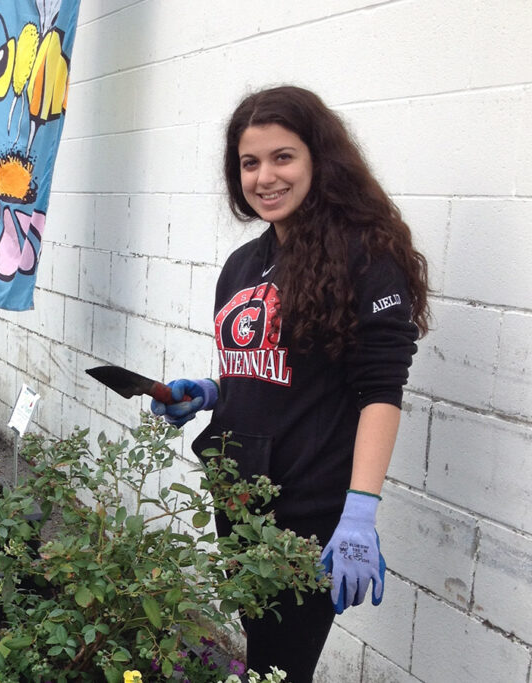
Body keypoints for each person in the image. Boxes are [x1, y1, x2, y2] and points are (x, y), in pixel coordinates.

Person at [152, 85, 430, 682]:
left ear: (318, 160)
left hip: (309, 506)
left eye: (283, 157)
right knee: (261, 649)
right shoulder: (243, 265)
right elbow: (271, 376)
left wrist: (359, 513)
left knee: (283, 666)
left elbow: (381, 389)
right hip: (240, 494)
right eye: (250, 163)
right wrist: (209, 392)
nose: (264, 177)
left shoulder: (365, 255)